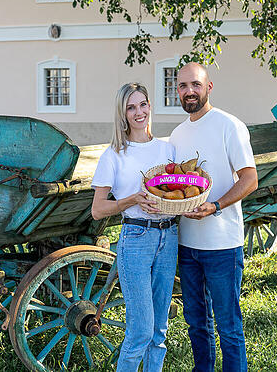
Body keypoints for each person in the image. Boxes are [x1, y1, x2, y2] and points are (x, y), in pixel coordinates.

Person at [169, 62, 258, 372]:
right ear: (176, 91)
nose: (189, 91)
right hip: (187, 243)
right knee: (196, 323)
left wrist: (217, 206)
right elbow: (176, 184)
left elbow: (249, 179)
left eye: (195, 84)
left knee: (228, 326)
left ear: (209, 87)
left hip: (222, 243)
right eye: (182, 86)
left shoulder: (229, 125)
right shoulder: (177, 135)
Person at [90, 82, 178, 372]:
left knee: (160, 330)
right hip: (136, 238)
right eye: (131, 107)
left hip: (169, 236)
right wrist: (131, 200)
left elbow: (175, 192)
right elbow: (98, 209)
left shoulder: (168, 150)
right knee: (141, 329)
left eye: (143, 104)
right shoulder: (114, 155)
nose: (139, 112)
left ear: (150, 106)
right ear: (123, 114)